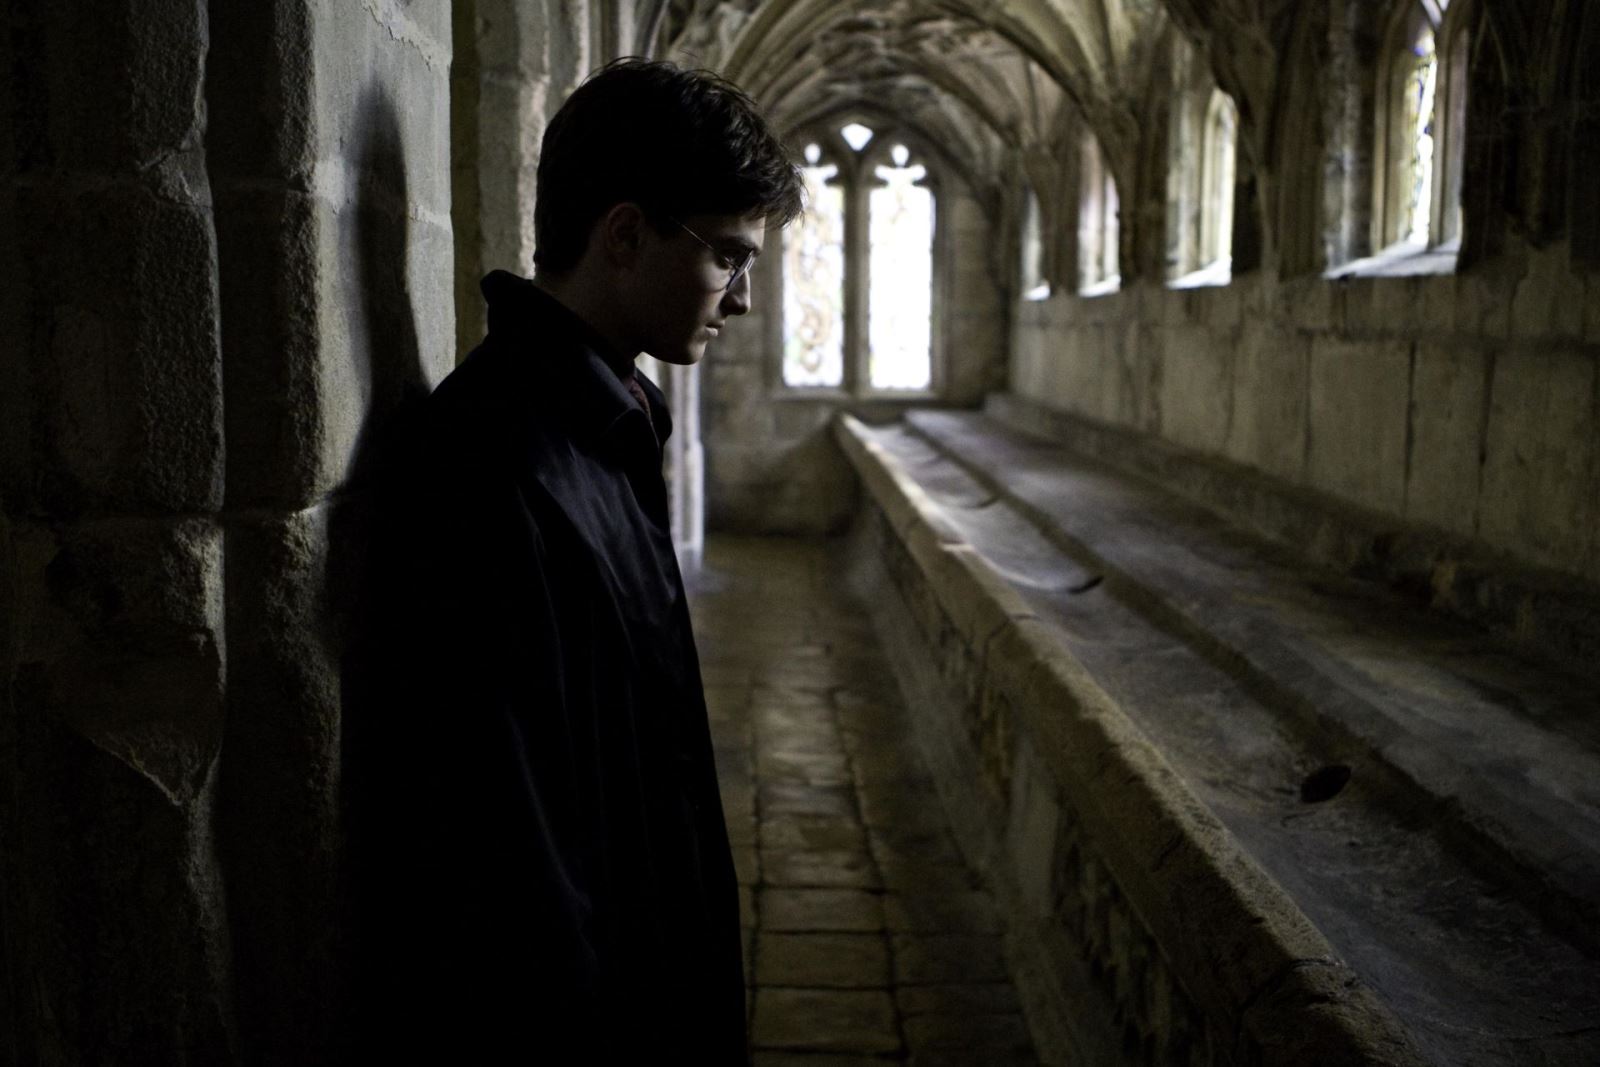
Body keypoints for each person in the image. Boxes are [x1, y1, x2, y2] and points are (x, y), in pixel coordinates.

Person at [346, 59, 803, 1063]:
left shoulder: (600, 420)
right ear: (626, 235)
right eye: (728, 257)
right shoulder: (486, 464)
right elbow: (505, 867)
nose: (743, 302)